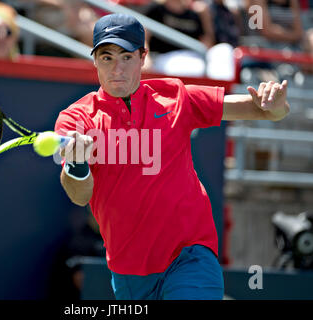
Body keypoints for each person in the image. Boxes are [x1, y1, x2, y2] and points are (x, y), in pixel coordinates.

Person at [54, 13, 290, 300]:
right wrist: (78, 164)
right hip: (128, 270)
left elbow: (264, 110)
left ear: (143, 57)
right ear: (95, 61)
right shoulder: (75, 119)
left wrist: (275, 104)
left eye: (126, 57)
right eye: (107, 58)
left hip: (189, 256)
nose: (117, 69)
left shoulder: (176, 98)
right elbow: (79, 195)